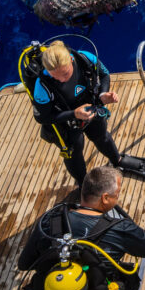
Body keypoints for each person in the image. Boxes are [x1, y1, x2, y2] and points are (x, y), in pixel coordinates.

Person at [24, 40, 122, 185]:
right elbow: (42, 118)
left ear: (71, 59)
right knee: (74, 153)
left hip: (90, 108)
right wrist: (74, 114)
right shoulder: (42, 86)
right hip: (65, 122)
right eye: (55, 76)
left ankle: (118, 161)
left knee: (101, 136)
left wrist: (102, 95)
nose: (61, 79)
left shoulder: (84, 59)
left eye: (65, 73)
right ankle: (83, 184)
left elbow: (104, 74)